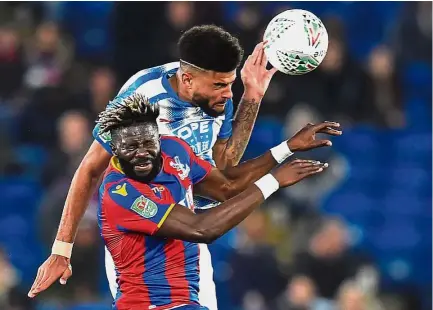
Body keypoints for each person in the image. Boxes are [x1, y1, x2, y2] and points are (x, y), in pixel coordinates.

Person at [29, 25, 340, 308]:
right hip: (144, 237)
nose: (228, 93)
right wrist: (62, 248)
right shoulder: (142, 97)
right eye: (220, 84)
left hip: (190, 234)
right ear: (188, 78)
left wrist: (253, 98)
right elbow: (90, 168)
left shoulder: (217, 102)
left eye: (231, 84)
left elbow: (224, 170)